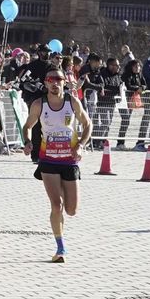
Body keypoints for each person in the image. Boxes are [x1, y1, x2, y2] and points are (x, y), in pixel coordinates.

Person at [23, 66, 90, 262]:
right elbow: (27, 126)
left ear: (64, 83)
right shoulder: (39, 104)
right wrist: (27, 142)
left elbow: (87, 124)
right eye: (50, 80)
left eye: (58, 80)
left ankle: (64, 193)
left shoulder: (72, 102)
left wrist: (81, 146)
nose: (54, 83)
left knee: (71, 210)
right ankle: (60, 248)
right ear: (45, 83)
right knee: (56, 205)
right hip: (48, 160)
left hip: (69, 160)